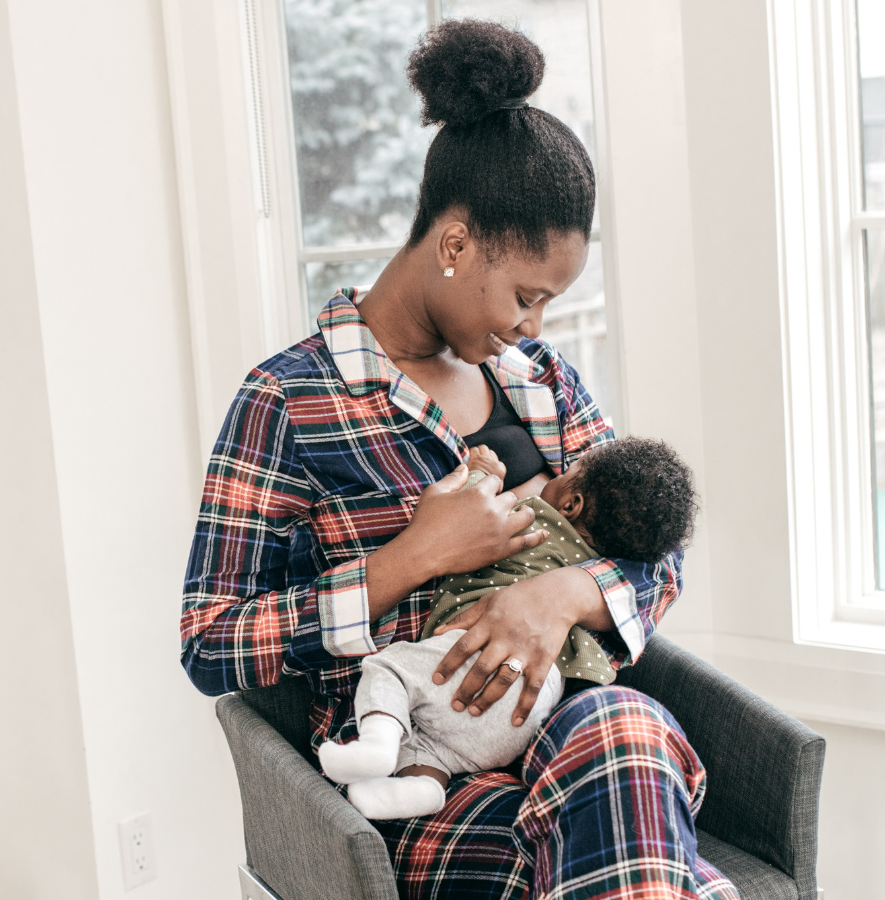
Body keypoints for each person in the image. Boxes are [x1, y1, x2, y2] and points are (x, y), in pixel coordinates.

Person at [180, 18, 738, 899]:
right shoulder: (289, 401)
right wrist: (412, 560)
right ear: (453, 246)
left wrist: (560, 593)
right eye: (526, 296)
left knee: (626, 734)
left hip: (572, 728)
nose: (534, 327)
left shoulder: (543, 384)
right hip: (422, 776)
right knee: (606, 841)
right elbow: (211, 642)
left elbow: (654, 549)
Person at [318, 439, 699, 822]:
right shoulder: (607, 556)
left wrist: (485, 474)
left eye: (567, 471)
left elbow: (468, 519)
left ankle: (377, 745)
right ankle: (423, 788)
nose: (558, 471)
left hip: (463, 661)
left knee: (390, 670)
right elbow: (656, 547)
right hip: (527, 715)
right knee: (436, 749)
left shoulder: (532, 520)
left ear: (571, 505)